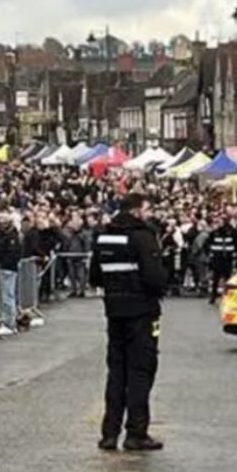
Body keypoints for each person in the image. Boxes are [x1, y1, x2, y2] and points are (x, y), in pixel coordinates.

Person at [89, 193, 169, 452]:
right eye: (147, 209)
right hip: (142, 312)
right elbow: (155, 278)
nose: (150, 214)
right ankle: (136, 432)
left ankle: (109, 433)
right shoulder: (143, 236)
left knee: (116, 372)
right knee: (141, 371)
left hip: (114, 311)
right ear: (136, 211)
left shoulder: (103, 236)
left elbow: (95, 276)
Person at [0, 214, 23, 335]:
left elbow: (14, 254)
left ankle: (10, 323)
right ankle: (3, 320)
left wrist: (3, 263)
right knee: (2, 296)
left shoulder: (12, 237)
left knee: (7, 296)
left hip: (8, 269)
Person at [206, 216, 237, 305]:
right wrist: (211, 254)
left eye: (220, 222)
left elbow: (236, 245)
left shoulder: (232, 232)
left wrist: (235, 256)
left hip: (227, 259)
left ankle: (228, 296)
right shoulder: (214, 233)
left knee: (227, 279)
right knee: (215, 279)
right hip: (217, 259)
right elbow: (208, 244)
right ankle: (213, 297)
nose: (218, 223)